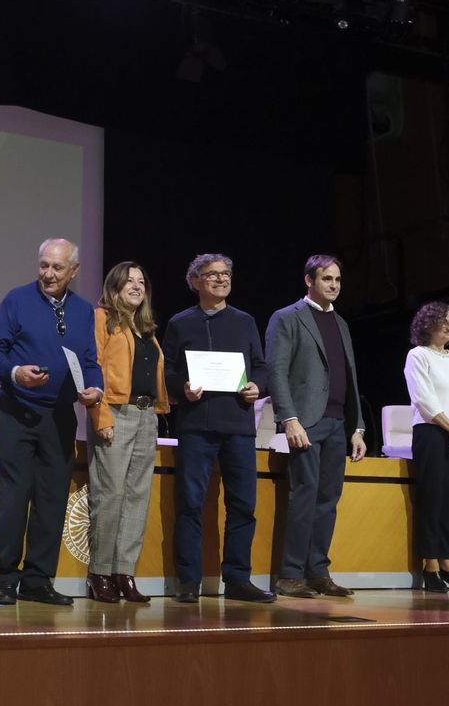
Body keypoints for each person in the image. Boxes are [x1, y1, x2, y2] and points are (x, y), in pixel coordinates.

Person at [0, 238, 104, 605]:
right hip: (17, 412)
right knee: (14, 498)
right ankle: (5, 578)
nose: (48, 274)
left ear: (74, 271)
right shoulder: (16, 299)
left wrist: (95, 388)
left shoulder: (84, 311)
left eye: (57, 267)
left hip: (59, 417)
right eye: (43, 266)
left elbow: (89, 360)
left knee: (52, 500)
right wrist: (16, 372)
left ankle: (38, 580)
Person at [160, 254, 274, 604]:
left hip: (239, 425)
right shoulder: (180, 323)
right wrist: (183, 389)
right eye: (212, 275)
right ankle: (189, 581)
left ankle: (238, 579)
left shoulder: (244, 321)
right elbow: (169, 372)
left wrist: (258, 385)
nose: (221, 279)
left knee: (243, 505)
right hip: (196, 425)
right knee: (190, 504)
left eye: (226, 274)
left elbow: (260, 366)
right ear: (195, 281)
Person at [263, 255, 365, 599]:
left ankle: (318, 571)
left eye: (337, 279)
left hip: (339, 422)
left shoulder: (342, 324)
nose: (333, 285)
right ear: (309, 280)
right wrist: (289, 419)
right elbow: (276, 371)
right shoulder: (288, 317)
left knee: (328, 500)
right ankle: (290, 574)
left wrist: (358, 427)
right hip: (307, 421)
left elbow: (351, 378)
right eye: (326, 279)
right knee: (304, 496)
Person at [86, 261, 169, 604]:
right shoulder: (102, 318)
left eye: (141, 281)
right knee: (110, 495)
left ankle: (125, 573)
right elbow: (95, 368)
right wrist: (100, 416)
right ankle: (100, 573)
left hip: (146, 416)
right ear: (115, 286)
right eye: (129, 281)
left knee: (137, 497)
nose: (136, 286)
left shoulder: (146, 327)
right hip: (116, 412)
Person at [403, 302, 449, 593]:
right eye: (442, 321)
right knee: (431, 499)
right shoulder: (418, 355)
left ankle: (448, 563)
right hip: (432, 432)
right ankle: (430, 565)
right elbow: (424, 399)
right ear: (427, 325)